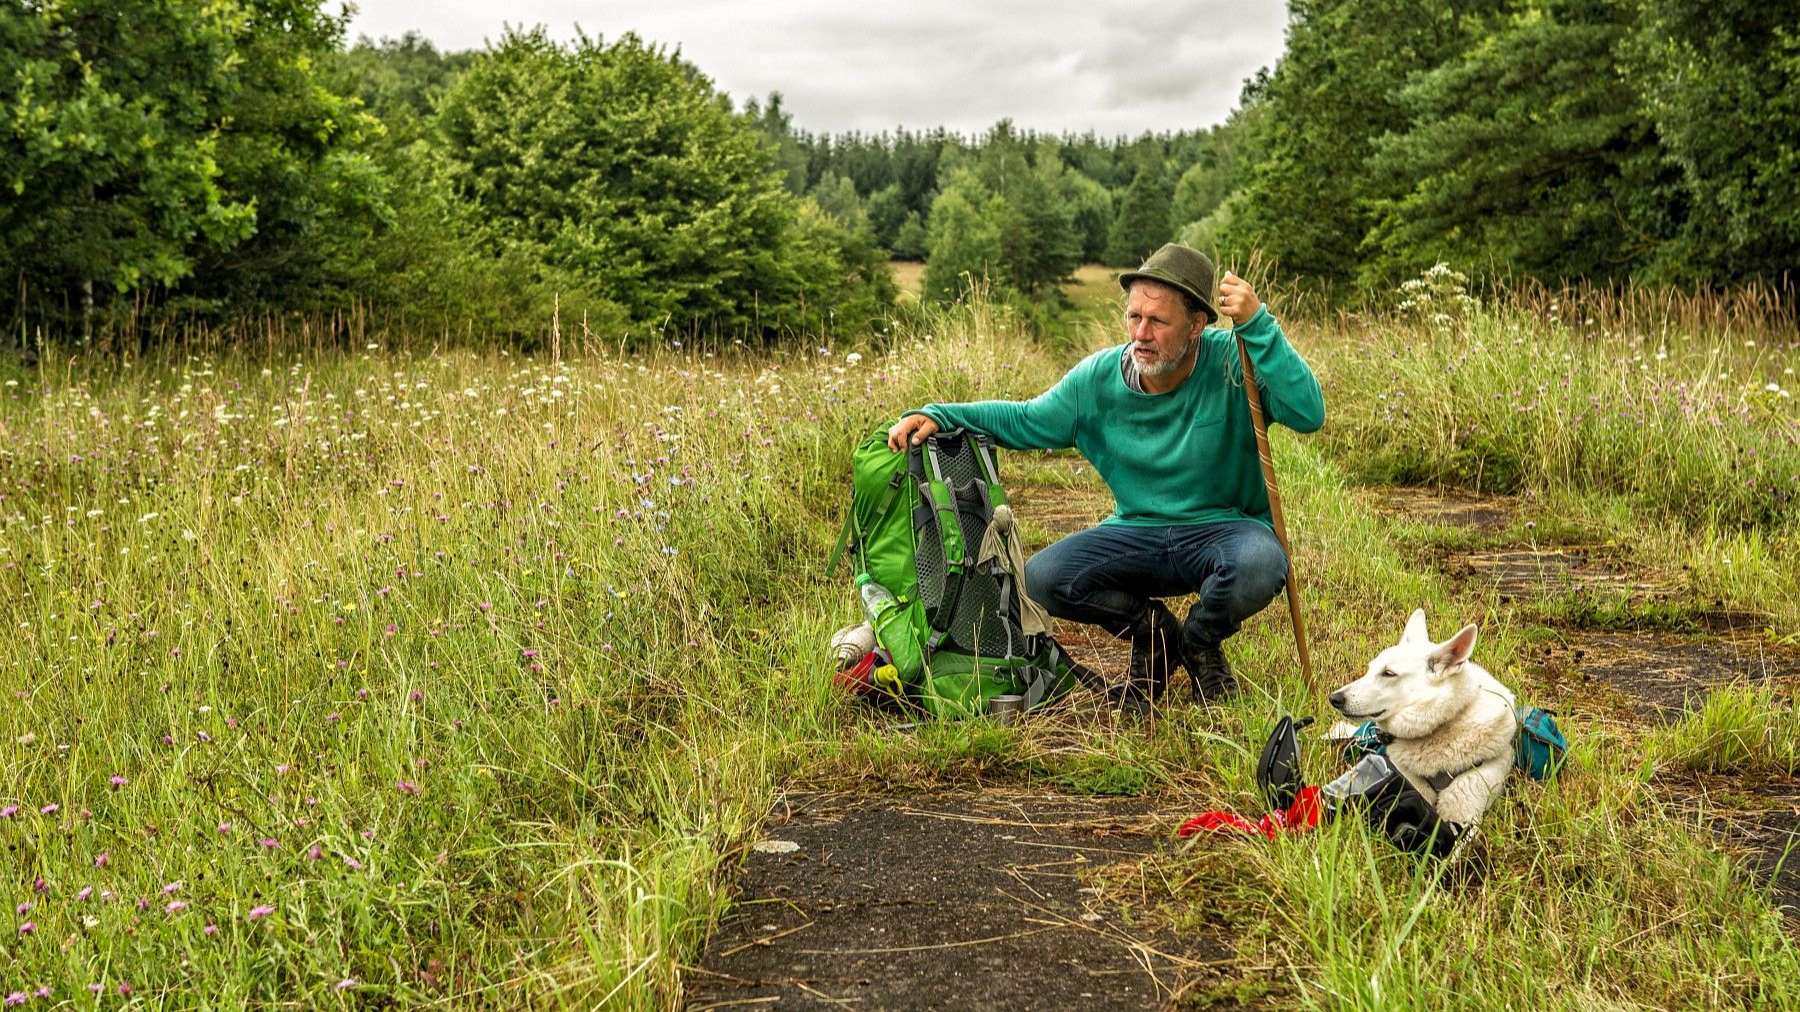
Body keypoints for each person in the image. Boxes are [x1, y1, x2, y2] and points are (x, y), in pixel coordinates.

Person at [887, 243, 1324, 705]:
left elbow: (1308, 412)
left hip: (1224, 531)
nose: (1141, 334)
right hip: (1138, 534)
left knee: (1261, 562)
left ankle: (1198, 641)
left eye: (1158, 321)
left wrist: (1258, 326)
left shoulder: (1236, 361)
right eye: (1134, 317)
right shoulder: (1096, 380)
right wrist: (941, 415)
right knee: (1041, 579)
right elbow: (1025, 418)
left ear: (1196, 325)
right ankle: (1153, 633)